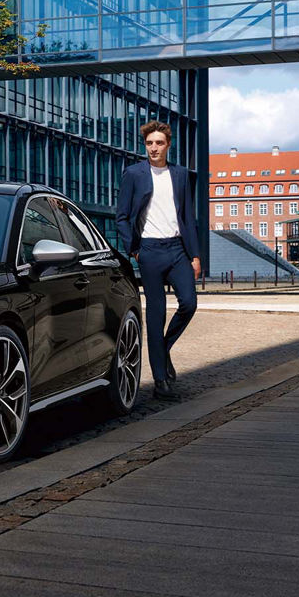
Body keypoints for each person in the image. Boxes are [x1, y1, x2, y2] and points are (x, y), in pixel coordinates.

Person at [116, 120, 201, 400]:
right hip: (149, 250)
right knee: (155, 314)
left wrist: (195, 255)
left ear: (168, 144)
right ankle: (160, 380)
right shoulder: (133, 174)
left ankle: (162, 350)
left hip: (177, 249)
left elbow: (188, 217)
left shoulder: (180, 174)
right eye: (149, 143)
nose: (154, 148)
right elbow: (122, 217)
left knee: (189, 303)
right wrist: (135, 250)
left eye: (159, 143)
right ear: (145, 145)